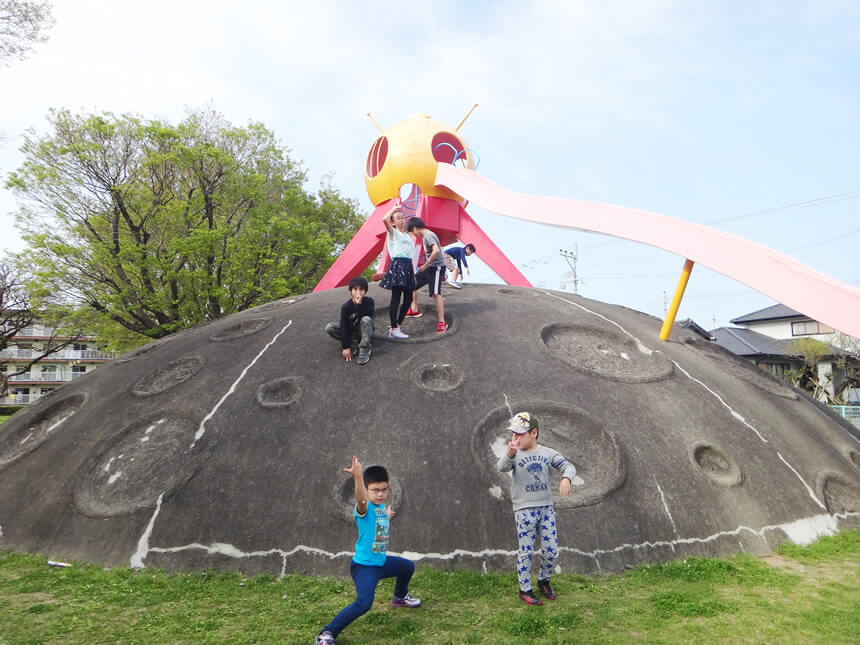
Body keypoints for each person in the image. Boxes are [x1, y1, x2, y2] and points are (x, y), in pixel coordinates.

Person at [315, 457, 421, 644]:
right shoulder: (363, 508)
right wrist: (357, 476)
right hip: (364, 567)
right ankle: (327, 633)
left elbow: (377, 524)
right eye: (374, 490)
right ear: (366, 490)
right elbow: (361, 499)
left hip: (381, 562)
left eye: (383, 489)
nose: (380, 494)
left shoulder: (380, 508)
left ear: (388, 488)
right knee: (364, 603)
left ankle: (399, 596)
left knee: (407, 567)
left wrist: (386, 516)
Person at [496, 411, 576, 606]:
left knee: (551, 550)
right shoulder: (514, 455)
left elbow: (568, 466)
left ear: (534, 433)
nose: (515, 438)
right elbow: (501, 467)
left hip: (546, 509)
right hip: (524, 510)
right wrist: (509, 454)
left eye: (520, 434)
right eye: (513, 434)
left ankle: (544, 580)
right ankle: (524, 590)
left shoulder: (547, 453)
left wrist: (566, 478)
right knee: (526, 551)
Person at [406, 217, 448, 334]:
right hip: (429, 267)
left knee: (435, 293)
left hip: (436, 267)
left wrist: (425, 264)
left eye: (412, 232)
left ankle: (442, 322)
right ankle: (414, 310)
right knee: (412, 284)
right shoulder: (425, 237)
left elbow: (436, 251)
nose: (413, 235)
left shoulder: (429, 235)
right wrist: (425, 266)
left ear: (414, 228)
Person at [378, 205, 415, 339]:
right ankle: (394, 327)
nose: (402, 220)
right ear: (393, 222)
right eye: (398, 218)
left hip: (408, 266)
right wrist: (394, 209)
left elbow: (412, 255)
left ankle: (397, 326)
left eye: (403, 217)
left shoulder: (409, 237)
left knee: (409, 298)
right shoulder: (393, 233)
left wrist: (413, 272)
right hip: (398, 264)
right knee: (396, 297)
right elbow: (383, 219)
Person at [325, 277, 375, 365]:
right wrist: (346, 347)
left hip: (363, 331)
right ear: (350, 291)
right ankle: (353, 344)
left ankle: (364, 348)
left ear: (365, 292)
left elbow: (368, 314)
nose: (358, 292)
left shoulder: (369, 301)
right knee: (330, 327)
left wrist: (358, 305)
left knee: (366, 319)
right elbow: (344, 326)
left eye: (361, 289)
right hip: (351, 332)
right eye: (355, 289)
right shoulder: (346, 307)